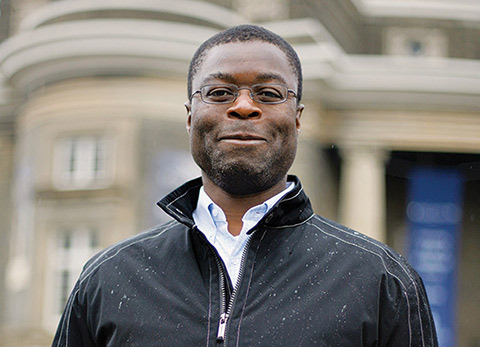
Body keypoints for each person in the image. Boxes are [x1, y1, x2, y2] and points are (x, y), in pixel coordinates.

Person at [53, 24, 437, 346]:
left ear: (297, 119)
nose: (243, 106)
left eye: (268, 94)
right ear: (190, 117)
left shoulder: (381, 280)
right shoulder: (108, 277)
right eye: (219, 93)